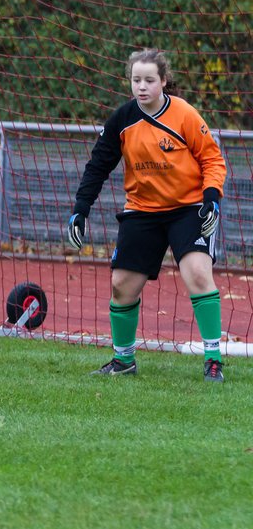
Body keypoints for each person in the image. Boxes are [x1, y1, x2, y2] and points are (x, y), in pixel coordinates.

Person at [66, 48, 228, 381]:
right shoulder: (122, 120)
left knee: (198, 273)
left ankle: (213, 359)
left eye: (149, 80)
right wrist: (81, 209)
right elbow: (98, 166)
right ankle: (123, 360)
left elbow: (212, 160)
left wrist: (211, 198)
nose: (142, 86)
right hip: (142, 211)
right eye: (136, 80)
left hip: (187, 208)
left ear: (163, 81)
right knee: (121, 285)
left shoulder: (183, 114)